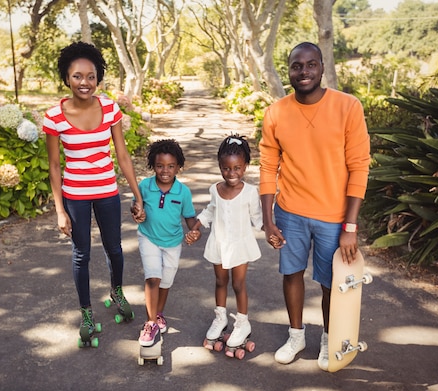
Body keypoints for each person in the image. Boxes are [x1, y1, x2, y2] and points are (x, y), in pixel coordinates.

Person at [259, 42, 371, 370]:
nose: (303, 72)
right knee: (291, 273)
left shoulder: (348, 107)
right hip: (290, 211)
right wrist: (268, 220)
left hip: (333, 217)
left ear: (322, 67)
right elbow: (268, 167)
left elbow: (359, 166)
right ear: (289, 70)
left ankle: (328, 338)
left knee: (328, 282)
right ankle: (296, 335)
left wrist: (350, 226)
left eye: (310, 65)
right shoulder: (276, 112)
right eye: (296, 66)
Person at [43, 41, 146, 344]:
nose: (84, 83)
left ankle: (117, 292)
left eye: (90, 76)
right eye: (77, 76)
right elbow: (54, 167)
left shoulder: (110, 108)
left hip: (107, 191)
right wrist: (60, 211)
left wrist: (137, 195)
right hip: (75, 194)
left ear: (98, 78)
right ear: (66, 77)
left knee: (115, 248)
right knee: (81, 254)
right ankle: (86, 311)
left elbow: (123, 156)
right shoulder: (54, 117)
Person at [186, 134, 263, 356]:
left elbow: (257, 218)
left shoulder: (249, 192)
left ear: (245, 167)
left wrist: (271, 231)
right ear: (220, 166)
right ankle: (220, 318)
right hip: (219, 243)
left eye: (237, 168)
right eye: (227, 168)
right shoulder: (215, 189)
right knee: (220, 281)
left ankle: (242, 322)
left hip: (240, 245)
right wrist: (196, 227)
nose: (232, 173)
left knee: (238, 284)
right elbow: (210, 210)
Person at [135, 139, 198, 347]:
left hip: (172, 242)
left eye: (171, 166)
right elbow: (135, 205)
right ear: (153, 165)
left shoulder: (183, 192)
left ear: (178, 167)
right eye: (160, 165)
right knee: (153, 278)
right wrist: (136, 211)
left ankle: (158, 313)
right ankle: (151, 322)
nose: (165, 171)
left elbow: (189, 217)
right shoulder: (145, 186)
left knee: (165, 282)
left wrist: (195, 230)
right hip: (148, 237)